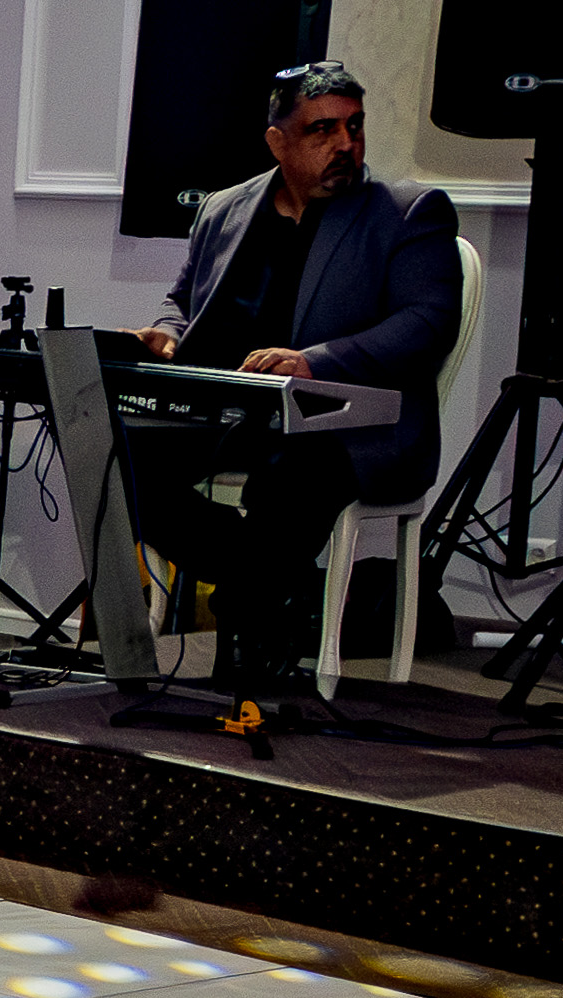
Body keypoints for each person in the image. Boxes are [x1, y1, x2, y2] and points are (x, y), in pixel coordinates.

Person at [122, 61, 461, 688]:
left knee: (292, 472)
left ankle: (248, 610)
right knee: (115, 450)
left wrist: (315, 361)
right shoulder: (225, 209)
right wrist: (165, 334)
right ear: (277, 141)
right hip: (233, 412)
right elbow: (183, 300)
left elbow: (428, 322)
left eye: (354, 126)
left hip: (353, 424)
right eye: (322, 130)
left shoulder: (408, 212)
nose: (345, 144)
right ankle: (266, 581)